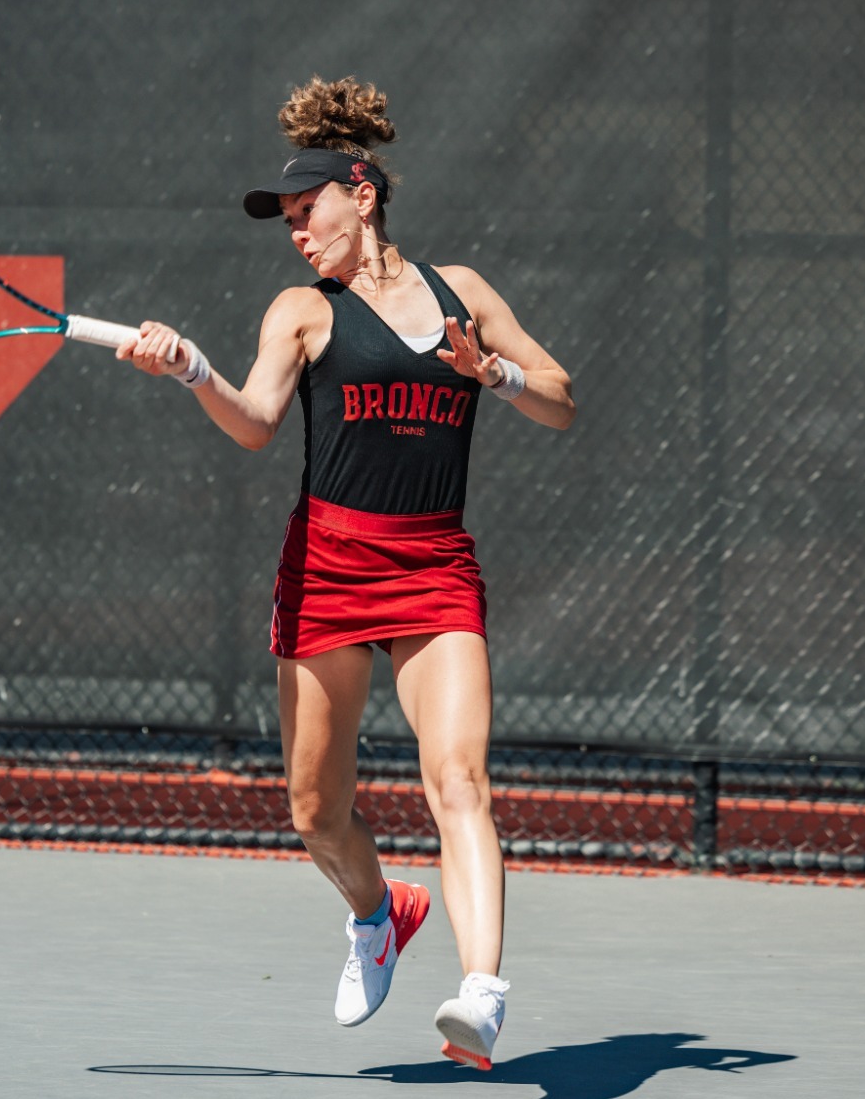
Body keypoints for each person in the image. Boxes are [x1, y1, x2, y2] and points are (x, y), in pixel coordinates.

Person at [117, 75, 574, 1069]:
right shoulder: (300, 311)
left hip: (433, 564)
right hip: (325, 565)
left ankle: (481, 994)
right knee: (313, 807)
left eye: (304, 211)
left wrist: (489, 373)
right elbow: (251, 425)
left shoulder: (465, 295)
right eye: (282, 219)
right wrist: (191, 368)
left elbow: (559, 398)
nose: (293, 231)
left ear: (358, 195)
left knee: (458, 775)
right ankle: (378, 911)